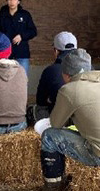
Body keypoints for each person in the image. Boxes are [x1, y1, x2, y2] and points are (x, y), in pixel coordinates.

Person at [40, 49, 100, 191]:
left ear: (66, 75)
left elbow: (56, 124)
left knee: (49, 136)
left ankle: (54, 185)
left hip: (97, 154)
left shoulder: (69, 90)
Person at [27, 32, 77, 124]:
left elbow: (41, 101)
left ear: (57, 51)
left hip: (62, 118)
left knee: (34, 110)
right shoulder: (89, 67)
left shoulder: (51, 70)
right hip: (86, 119)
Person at [0, 0, 37, 75]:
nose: (12, 1)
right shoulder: (1, 16)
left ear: (19, 1)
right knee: (5, 81)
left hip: (22, 53)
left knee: (23, 80)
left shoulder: (25, 15)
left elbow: (33, 31)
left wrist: (21, 36)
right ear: (7, 1)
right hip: (5, 55)